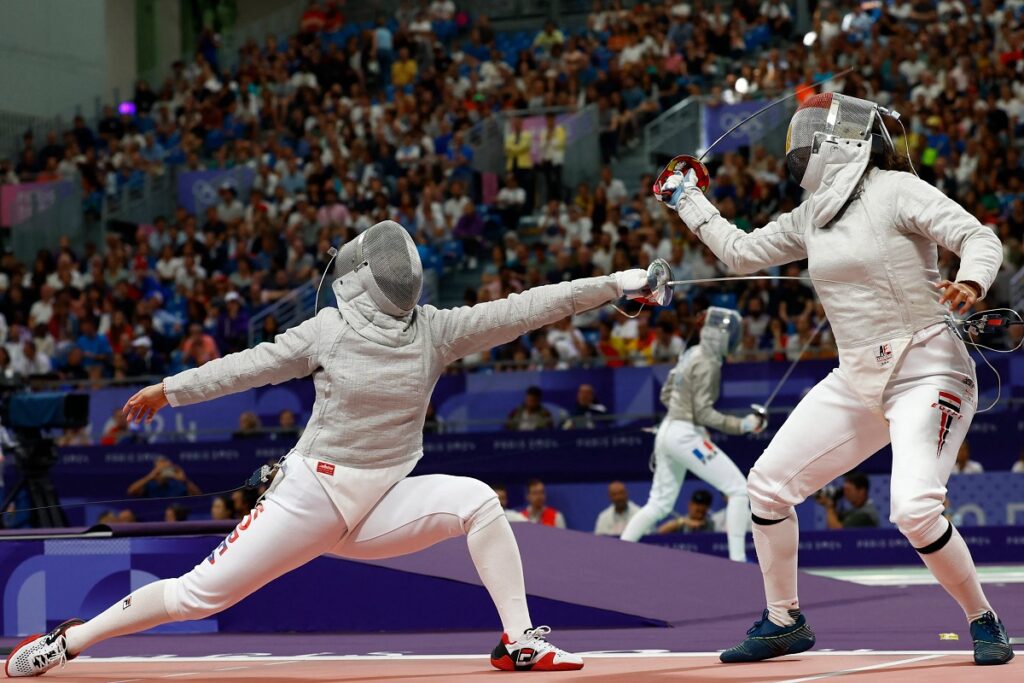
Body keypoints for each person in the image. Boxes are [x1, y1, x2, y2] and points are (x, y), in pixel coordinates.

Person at [9, 219, 661, 676]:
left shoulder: (436, 330)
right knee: (194, 596)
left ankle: (518, 639)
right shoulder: (330, 330)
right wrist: (168, 390)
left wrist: (615, 283)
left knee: (479, 503)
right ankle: (70, 639)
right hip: (311, 497)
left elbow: (528, 307)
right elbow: (247, 365)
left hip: (381, 503)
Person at [658, 92, 1012, 665]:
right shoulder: (812, 214)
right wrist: (688, 199)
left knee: (915, 510)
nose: (797, 146)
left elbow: (979, 237)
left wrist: (970, 283)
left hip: (928, 366)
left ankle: (983, 619)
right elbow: (741, 252)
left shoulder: (896, 190)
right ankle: (783, 621)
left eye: (807, 134)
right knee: (767, 486)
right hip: (856, 378)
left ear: (839, 140)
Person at [620, 308, 763, 564]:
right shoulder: (708, 363)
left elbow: (667, 394)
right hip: (683, 435)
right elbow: (704, 412)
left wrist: (689, 421)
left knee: (659, 504)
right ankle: (738, 562)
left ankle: (618, 554)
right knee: (739, 490)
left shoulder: (691, 353)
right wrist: (742, 425)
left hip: (667, 431)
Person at [814, 471, 880, 529]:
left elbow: (837, 533)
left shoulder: (865, 514)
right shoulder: (853, 511)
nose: (845, 494)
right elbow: (835, 521)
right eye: (844, 490)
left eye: (848, 490)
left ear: (861, 491)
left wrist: (829, 506)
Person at [126, 457, 201, 499]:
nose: (164, 471)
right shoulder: (149, 485)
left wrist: (184, 480)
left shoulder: (177, 484)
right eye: (161, 469)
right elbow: (131, 491)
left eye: (167, 468)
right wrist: (149, 477)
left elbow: (198, 495)